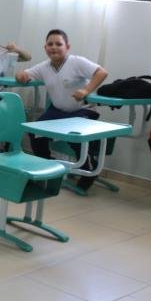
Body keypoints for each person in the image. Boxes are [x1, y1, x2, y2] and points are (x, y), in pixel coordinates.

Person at [15, 29, 108, 191]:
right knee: (35, 132)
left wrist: (86, 90)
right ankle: (48, 167)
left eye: (59, 44)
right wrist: (20, 76)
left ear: (67, 47)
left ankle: (89, 171)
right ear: (45, 48)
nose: (54, 47)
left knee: (75, 136)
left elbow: (102, 72)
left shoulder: (77, 62)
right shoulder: (44, 67)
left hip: (83, 110)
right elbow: (24, 74)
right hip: (58, 111)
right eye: (50, 44)